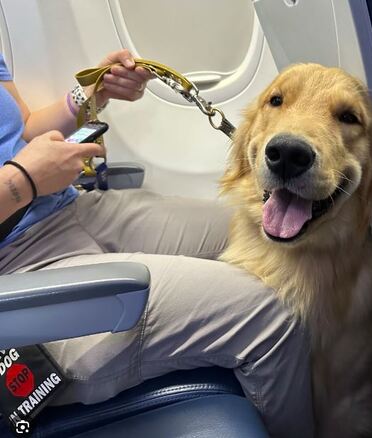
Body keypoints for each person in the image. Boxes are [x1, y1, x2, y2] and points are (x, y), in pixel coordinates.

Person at [0, 49, 314, 437]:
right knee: (270, 319)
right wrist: (20, 182)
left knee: (259, 234)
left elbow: (21, 130)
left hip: (66, 209)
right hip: (16, 267)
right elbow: (19, 170)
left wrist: (91, 95)